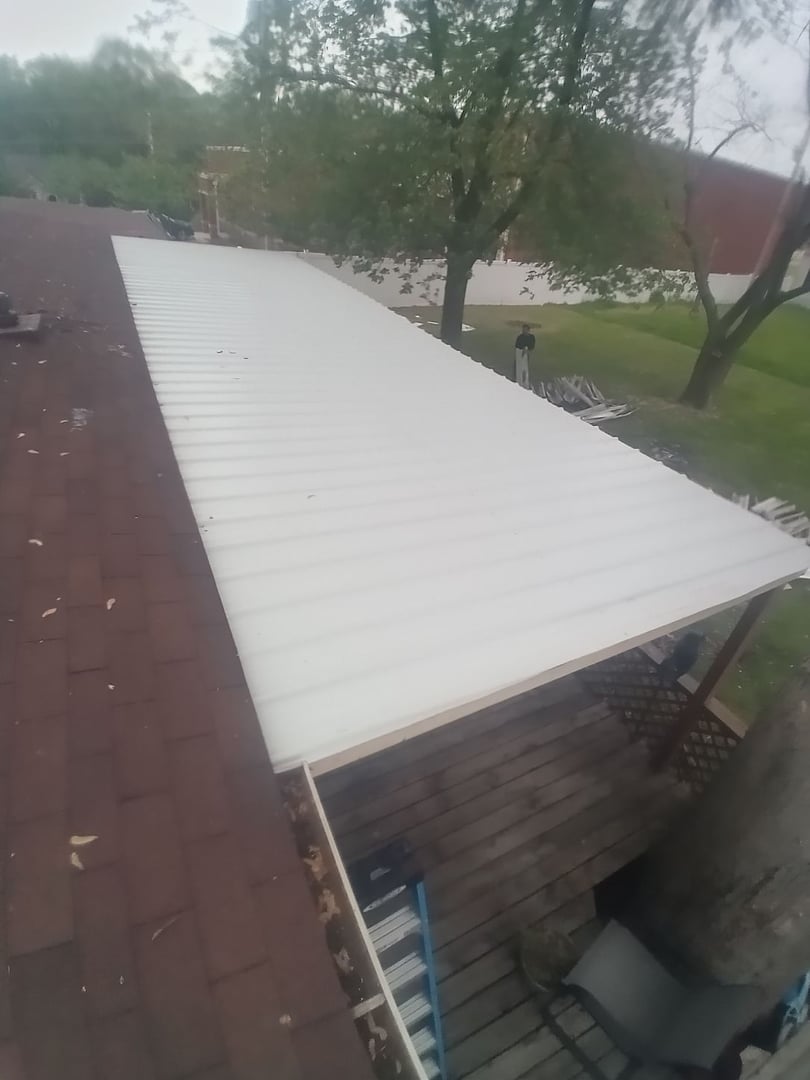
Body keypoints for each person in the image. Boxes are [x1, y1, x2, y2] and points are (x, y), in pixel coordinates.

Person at [514, 323, 536, 389]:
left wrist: (526, 349)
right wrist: (522, 349)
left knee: (525, 368)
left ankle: (525, 383)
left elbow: (532, 346)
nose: (524, 331)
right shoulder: (520, 337)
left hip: (527, 353)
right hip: (519, 353)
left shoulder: (531, 337)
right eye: (523, 329)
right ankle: (519, 381)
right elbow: (517, 345)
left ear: (528, 330)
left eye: (525, 330)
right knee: (519, 367)